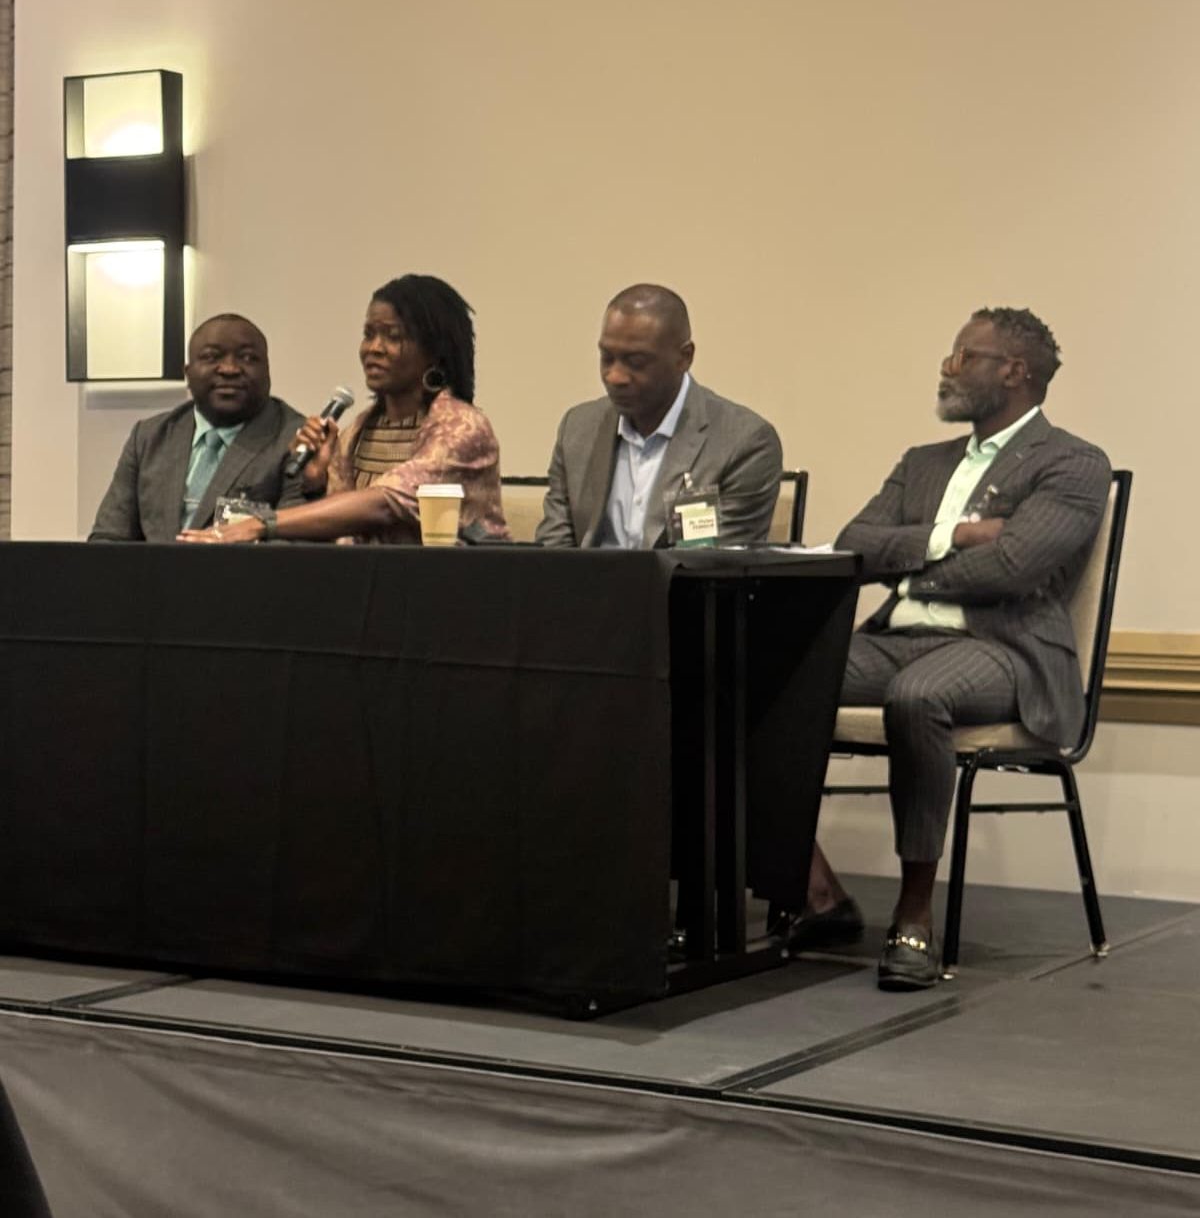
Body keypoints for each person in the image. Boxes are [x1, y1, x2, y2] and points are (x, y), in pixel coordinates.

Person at [804, 307, 1110, 991]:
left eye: (964, 356)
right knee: (759, 678)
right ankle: (816, 891)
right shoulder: (922, 463)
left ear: (1014, 371)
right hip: (898, 637)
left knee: (919, 697)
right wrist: (956, 537)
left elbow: (1014, 568)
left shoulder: (1072, 462)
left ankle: (913, 914)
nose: (947, 368)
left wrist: (910, 567)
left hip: (1003, 649)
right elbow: (855, 545)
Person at [178, 274, 507, 545]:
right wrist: (316, 480)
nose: (374, 348)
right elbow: (342, 531)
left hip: (453, 589)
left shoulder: (462, 427)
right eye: (369, 334)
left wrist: (260, 524)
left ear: (434, 351)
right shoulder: (360, 430)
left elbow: (385, 503)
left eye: (392, 336)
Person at [535, 284, 782, 548]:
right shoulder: (577, 429)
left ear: (684, 357)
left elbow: (714, 564)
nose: (615, 376)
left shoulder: (743, 443)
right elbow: (553, 552)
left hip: (682, 576)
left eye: (636, 362)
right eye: (607, 358)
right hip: (582, 577)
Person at [88, 313, 309, 542]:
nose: (230, 369)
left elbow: (293, 545)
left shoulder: (299, 439)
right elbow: (109, 537)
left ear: (267, 371)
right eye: (212, 357)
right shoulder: (149, 437)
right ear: (188, 373)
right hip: (151, 567)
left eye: (247, 357)